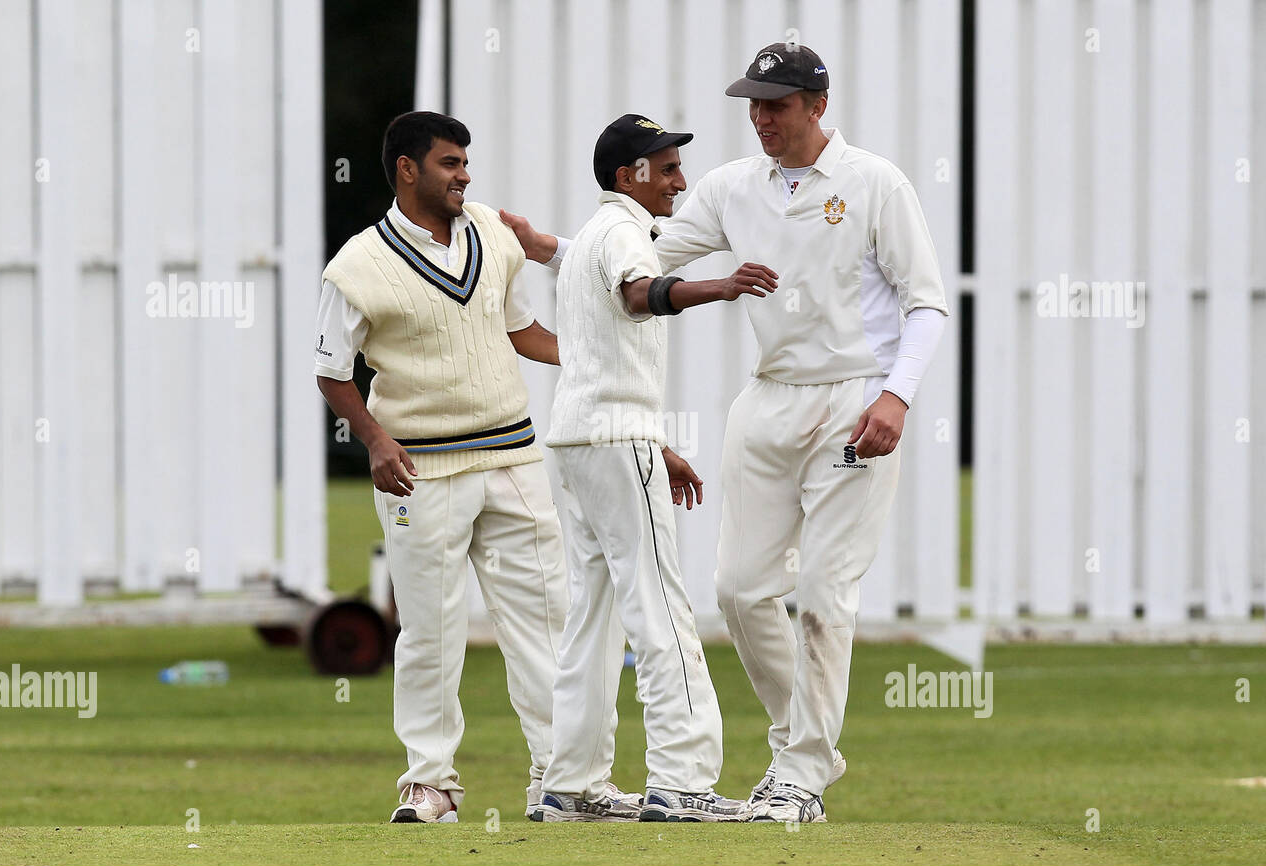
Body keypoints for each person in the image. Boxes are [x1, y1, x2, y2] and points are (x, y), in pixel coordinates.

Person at [502, 43, 949, 823]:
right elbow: (639, 267)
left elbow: (926, 303)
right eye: (753, 103)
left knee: (823, 596)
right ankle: (799, 743)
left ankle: (801, 773)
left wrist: (896, 397)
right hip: (768, 398)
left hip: (854, 399)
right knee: (739, 590)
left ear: (817, 104)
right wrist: (549, 248)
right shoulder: (732, 187)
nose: (761, 118)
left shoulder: (876, 184)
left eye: (776, 104)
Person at [314, 111, 639, 824]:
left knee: (548, 619)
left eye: (465, 162)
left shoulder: (493, 233)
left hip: (513, 456)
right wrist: (374, 440)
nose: (464, 175)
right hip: (420, 468)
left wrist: (598, 361)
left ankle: (563, 782)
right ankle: (430, 784)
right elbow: (332, 372)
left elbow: (520, 328)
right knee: (430, 629)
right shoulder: (357, 265)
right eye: (449, 163)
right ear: (407, 169)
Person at [529, 115, 777, 823]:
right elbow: (641, 298)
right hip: (612, 440)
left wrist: (656, 444)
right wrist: (721, 286)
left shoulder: (587, 245)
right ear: (628, 174)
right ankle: (683, 780)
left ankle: (571, 784)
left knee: (594, 617)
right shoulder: (623, 235)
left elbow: (600, 352)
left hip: (579, 442)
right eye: (666, 167)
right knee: (661, 607)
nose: (679, 180)